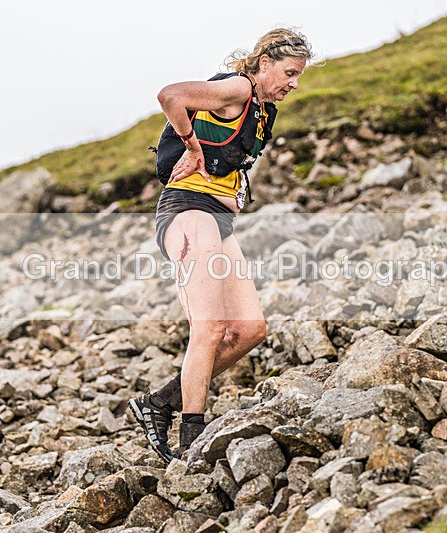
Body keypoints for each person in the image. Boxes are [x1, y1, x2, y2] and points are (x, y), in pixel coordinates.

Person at [129, 28, 315, 463]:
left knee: (250, 329)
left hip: (219, 219)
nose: (293, 83)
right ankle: (191, 439)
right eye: (289, 73)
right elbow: (171, 95)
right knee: (210, 327)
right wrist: (192, 147)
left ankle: (159, 402)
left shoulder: (263, 111)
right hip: (187, 210)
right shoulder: (238, 88)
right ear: (264, 63)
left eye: (299, 76)